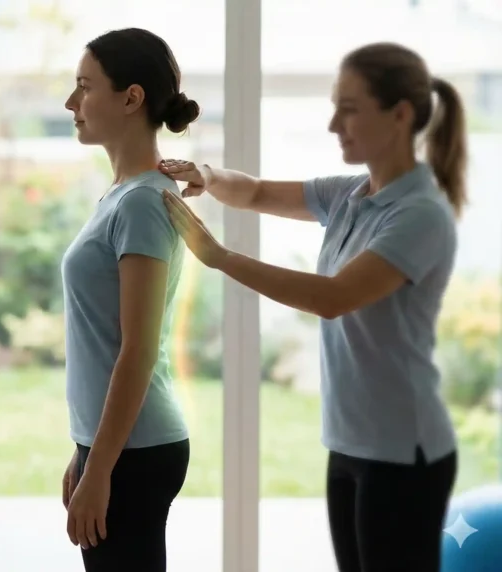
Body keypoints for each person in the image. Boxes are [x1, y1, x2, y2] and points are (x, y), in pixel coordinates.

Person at [159, 42, 463, 572]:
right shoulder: (349, 196)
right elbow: (253, 193)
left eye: (349, 108)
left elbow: (333, 298)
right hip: (348, 441)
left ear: (400, 114)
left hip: (402, 451)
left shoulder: (419, 215)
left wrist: (220, 257)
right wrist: (206, 176)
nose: (333, 124)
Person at [60, 27, 196, 572]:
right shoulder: (122, 195)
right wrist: (85, 450)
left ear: (131, 98)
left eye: (85, 86)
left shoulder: (141, 202)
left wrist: (101, 471)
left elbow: (137, 350)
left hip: (136, 453)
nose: (72, 102)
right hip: (118, 447)